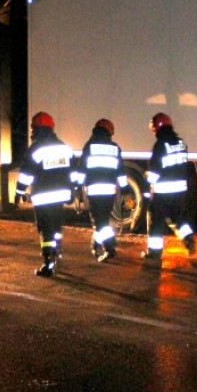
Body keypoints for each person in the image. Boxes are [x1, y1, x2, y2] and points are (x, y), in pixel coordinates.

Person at [16, 112, 74, 277]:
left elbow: (26, 174)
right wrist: (73, 191)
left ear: (35, 129)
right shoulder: (64, 147)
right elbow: (73, 172)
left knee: (45, 230)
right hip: (61, 196)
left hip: (43, 197)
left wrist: (19, 192)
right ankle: (57, 253)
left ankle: (48, 263)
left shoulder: (35, 149)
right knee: (56, 227)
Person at [143, 112, 196, 262]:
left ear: (157, 128)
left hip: (163, 191)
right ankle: (189, 238)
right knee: (178, 218)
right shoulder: (181, 143)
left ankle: (154, 253)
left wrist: (147, 187)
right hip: (180, 190)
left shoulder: (160, 145)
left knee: (156, 222)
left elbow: (155, 171)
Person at [76, 118, 128, 262]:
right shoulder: (115, 148)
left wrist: (78, 189)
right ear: (109, 132)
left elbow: (82, 170)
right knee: (102, 220)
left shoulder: (89, 146)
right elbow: (120, 171)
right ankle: (96, 244)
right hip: (110, 191)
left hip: (94, 191)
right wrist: (125, 190)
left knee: (100, 222)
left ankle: (110, 248)